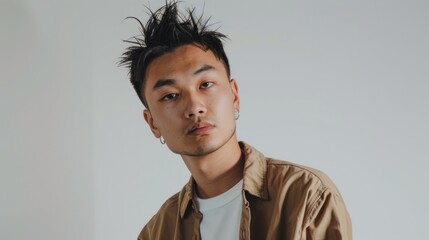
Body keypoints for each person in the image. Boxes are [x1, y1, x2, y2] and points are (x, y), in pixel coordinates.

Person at [120, 2, 352, 239]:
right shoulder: (157, 233)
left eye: (206, 84)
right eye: (170, 96)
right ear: (152, 123)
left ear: (234, 95)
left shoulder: (306, 196)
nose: (194, 107)